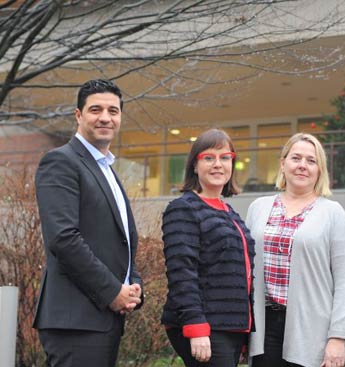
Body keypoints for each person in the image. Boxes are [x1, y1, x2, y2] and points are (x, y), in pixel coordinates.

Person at [34, 79, 143, 366]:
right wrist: (112, 291)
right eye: (96, 109)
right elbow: (63, 238)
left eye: (113, 111)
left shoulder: (105, 168)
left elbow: (118, 239)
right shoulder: (61, 162)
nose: (105, 117)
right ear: (78, 115)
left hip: (101, 318)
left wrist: (132, 284)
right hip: (76, 321)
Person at [247, 133, 345, 367]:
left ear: (320, 170)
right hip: (263, 329)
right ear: (283, 163)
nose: (302, 166)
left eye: (311, 160)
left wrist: (338, 337)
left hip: (312, 331)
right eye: (296, 158)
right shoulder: (258, 208)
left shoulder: (333, 213)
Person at [161, 128, 255, 367]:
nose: (218, 164)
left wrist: (245, 333)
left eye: (225, 158)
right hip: (205, 325)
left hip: (230, 326)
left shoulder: (229, 212)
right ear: (195, 165)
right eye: (209, 158)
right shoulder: (184, 208)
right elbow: (182, 272)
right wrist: (196, 327)